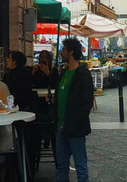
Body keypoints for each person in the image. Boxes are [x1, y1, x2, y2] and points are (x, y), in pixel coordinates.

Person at [54, 37, 93, 182]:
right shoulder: (63, 73)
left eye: (63, 49)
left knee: (80, 165)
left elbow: (86, 103)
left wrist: (76, 121)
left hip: (75, 128)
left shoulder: (83, 74)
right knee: (61, 165)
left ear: (70, 52)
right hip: (60, 126)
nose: (61, 52)